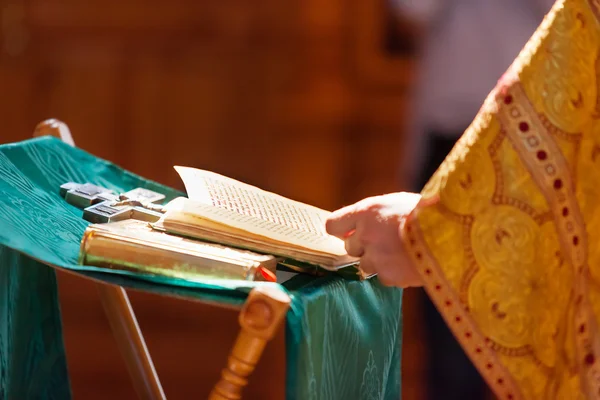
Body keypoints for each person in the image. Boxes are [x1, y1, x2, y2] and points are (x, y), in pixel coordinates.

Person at [327, 0, 600, 398]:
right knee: (450, 366)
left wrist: (425, 233)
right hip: (456, 125)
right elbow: (412, 10)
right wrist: (429, 231)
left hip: (550, 144)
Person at [388, 1, 555, 398]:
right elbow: (412, 10)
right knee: (448, 333)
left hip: (533, 134)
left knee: (535, 324)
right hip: (448, 129)